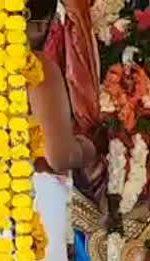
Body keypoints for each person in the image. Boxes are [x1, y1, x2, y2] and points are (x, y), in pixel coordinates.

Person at [26, 0, 97, 173]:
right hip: (25, 192)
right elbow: (60, 157)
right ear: (41, 25)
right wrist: (86, 149)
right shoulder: (35, 66)